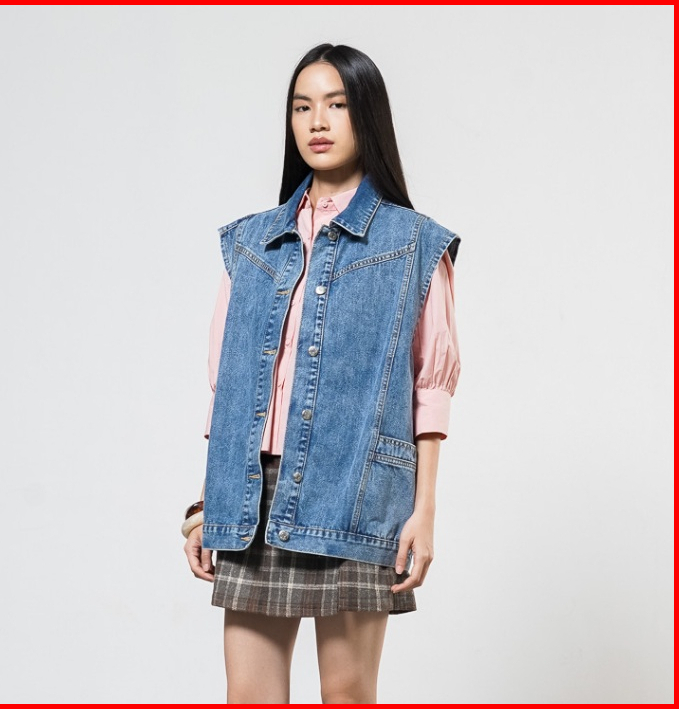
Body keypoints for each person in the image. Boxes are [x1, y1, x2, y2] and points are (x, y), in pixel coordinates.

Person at [183, 43, 461, 704]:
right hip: (252, 498)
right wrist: (207, 503)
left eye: (336, 105)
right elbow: (229, 386)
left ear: (367, 115)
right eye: (302, 106)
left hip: (358, 493)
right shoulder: (251, 242)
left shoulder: (415, 243)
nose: (317, 121)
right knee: (248, 696)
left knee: (346, 693)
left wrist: (424, 510)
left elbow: (431, 385)